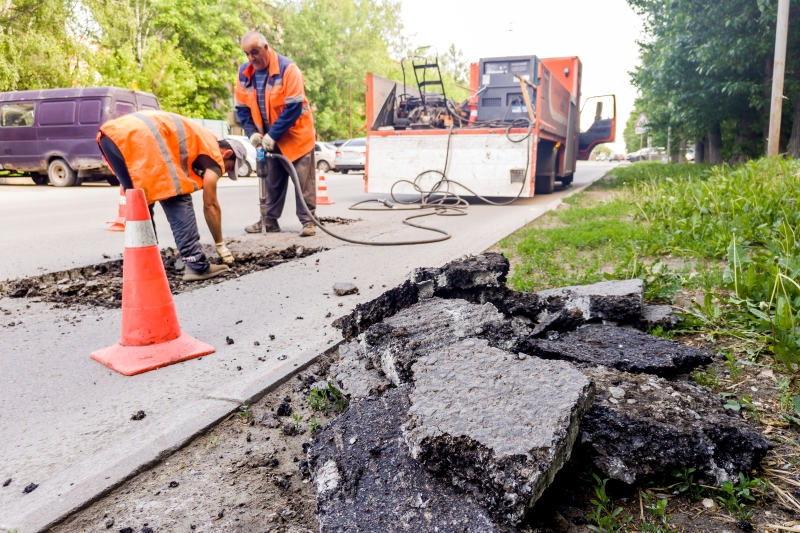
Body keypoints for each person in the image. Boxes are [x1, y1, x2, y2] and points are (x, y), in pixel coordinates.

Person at [97, 110, 248, 281]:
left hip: (112, 136)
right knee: (178, 195)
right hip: (142, 137)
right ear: (227, 154)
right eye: (229, 168)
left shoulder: (200, 139)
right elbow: (210, 205)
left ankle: (144, 265)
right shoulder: (214, 154)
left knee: (140, 200)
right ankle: (196, 265)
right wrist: (221, 246)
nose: (224, 172)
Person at [235, 30, 318, 237]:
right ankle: (269, 220)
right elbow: (242, 108)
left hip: (296, 135)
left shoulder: (287, 69)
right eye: (246, 53)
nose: (251, 58)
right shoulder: (245, 73)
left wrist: (273, 134)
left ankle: (308, 221)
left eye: (254, 52)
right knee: (271, 180)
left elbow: (294, 107)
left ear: (265, 48)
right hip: (267, 138)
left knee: (302, 181)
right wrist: (252, 132)